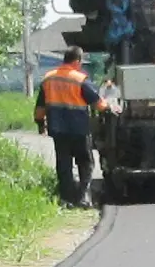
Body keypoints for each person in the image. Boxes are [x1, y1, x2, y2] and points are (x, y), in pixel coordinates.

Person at [34, 46, 106, 208]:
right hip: (79, 129)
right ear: (77, 61)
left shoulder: (48, 79)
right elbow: (99, 104)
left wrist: (40, 123)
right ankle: (83, 197)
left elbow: (40, 107)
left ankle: (66, 199)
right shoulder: (80, 79)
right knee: (85, 162)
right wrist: (109, 106)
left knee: (64, 164)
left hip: (58, 129)